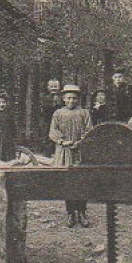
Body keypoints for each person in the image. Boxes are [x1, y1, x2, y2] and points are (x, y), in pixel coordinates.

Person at [49, 83, 92, 227]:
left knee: (81, 181)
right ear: (63, 99)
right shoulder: (58, 113)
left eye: (74, 98)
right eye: (68, 98)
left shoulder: (84, 113)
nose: (71, 101)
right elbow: (53, 131)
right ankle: (70, 213)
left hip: (80, 150)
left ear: (78, 99)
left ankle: (82, 212)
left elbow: (89, 131)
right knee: (68, 181)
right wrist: (62, 141)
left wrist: (80, 141)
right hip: (64, 151)